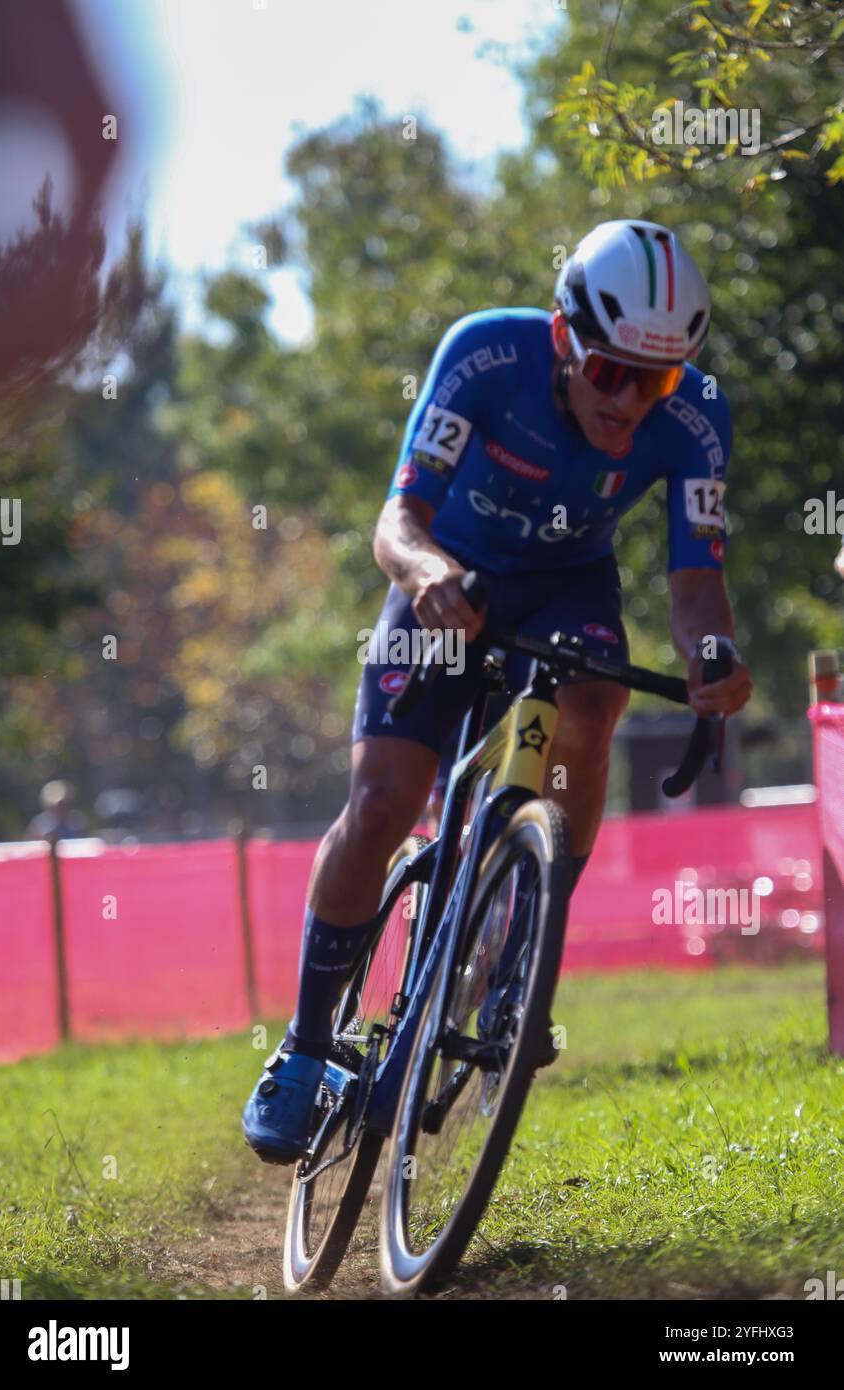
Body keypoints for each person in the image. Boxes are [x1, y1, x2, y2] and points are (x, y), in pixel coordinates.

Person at [243, 218, 753, 1164]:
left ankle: (525, 950)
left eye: (658, 380)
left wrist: (715, 653)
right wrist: (426, 572)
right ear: (563, 339)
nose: (632, 402)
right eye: (611, 374)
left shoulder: (698, 418)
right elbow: (397, 520)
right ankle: (308, 1046)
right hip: (452, 577)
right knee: (385, 798)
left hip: (569, 587)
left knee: (596, 703)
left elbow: (694, 585)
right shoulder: (485, 354)